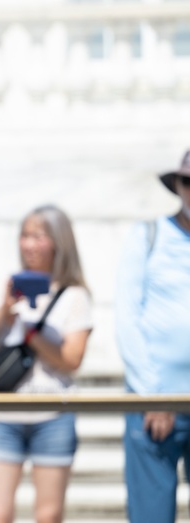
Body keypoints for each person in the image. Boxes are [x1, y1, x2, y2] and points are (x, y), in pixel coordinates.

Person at [0, 205, 94, 523]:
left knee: (49, 515)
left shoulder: (74, 295)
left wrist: (32, 334)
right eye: (25, 235)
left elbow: (72, 360)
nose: (29, 244)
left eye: (38, 236)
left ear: (58, 242)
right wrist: (5, 311)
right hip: (1, 415)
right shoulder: (3, 286)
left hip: (53, 414)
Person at [115, 149, 190, 523]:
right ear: (178, 185)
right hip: (156, 400)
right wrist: (152, 395)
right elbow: (127, 318)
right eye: (188, 182)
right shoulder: (148, 235)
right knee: (151, 516)